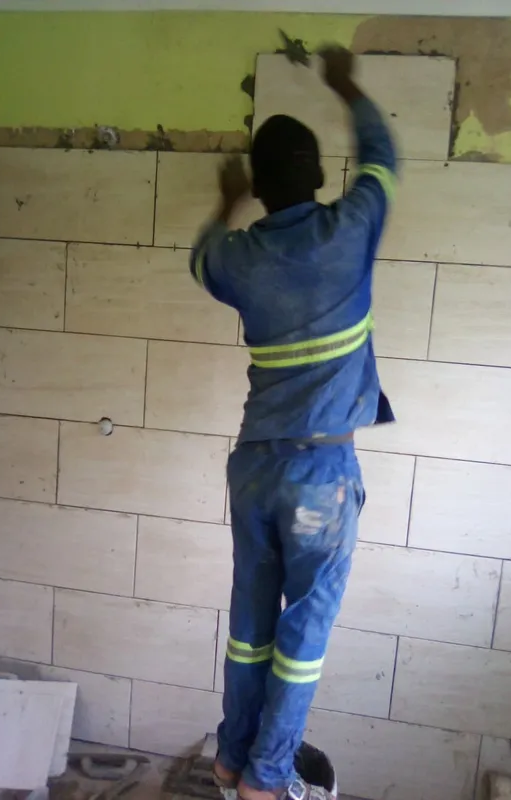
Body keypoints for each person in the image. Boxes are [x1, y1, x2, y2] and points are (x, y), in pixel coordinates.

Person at [189, 45, 397, 800]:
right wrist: (347, 88)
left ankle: (229, 759)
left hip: (253, 467)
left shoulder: (239, 256)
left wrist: (226, 200)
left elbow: (202, 257)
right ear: (315, 178)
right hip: (319, 476)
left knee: (250, 625)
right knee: (301, 637)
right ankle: (266, 779)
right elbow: (382, 160)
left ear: (263, 187)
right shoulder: (349, 231)